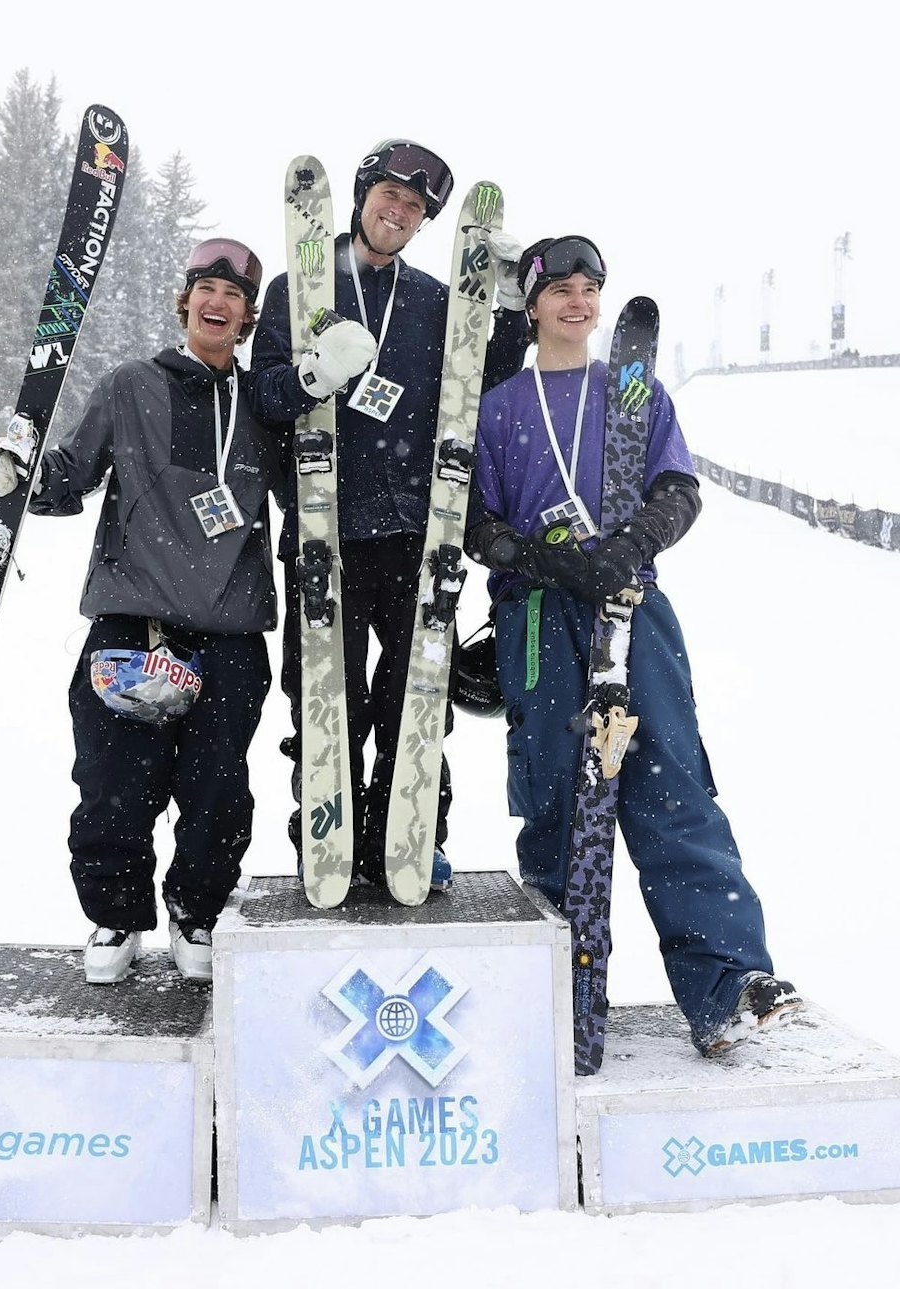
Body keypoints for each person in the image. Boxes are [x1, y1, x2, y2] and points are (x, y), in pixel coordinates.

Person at [466, 235, 802, 1056]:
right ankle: (563, 991)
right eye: (562, 289)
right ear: (534, 302)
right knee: (556, 803)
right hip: (542, 617)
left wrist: (636, 538)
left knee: (671, 788)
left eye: (591, 288)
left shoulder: (633, 392)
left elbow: (679, 489)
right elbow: (474, 522)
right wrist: (535, 556)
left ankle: (728, 984)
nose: (578, 302)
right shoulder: (500, 406)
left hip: (629, 607)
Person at [0, 238, 282, 985]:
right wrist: (19, 477)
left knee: (218, 789)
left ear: (247, 318)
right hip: (133, 622)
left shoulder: (264, 410)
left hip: (232, 632)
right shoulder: (128, 387)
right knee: (115, 782)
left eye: (234, 295)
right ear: (185, 302)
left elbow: (313, 500)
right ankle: (116, 912)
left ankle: (196, 909)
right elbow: (69, 478)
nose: (218, 303)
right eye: (206, 288)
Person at [249, 140, 529, 887]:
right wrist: (311, 375)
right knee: (324, 702)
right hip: (322, 530)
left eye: (415, 207)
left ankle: (409, 840)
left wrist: (508, 310)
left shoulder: (436, 301)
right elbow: (264, 399)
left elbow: (481, 388)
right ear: (363, 194)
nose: (398, 212)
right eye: (389, 196)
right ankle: (328, 836)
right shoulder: (296, 288)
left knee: (418, 700)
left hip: (415, 534)